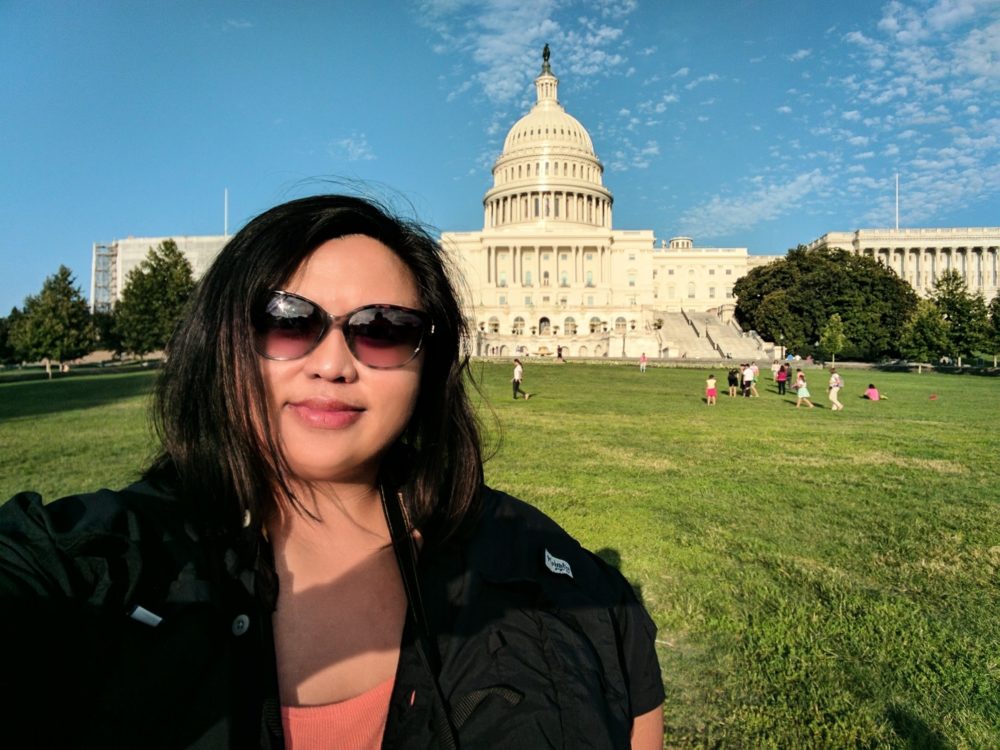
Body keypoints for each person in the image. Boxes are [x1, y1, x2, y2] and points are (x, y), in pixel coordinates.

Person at [0, 195, 664, 748]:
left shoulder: (568, 586)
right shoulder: (98, 563)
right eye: (286, 320)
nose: (332, 363)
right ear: (222, 339)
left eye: (383, 328)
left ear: (429, 362)